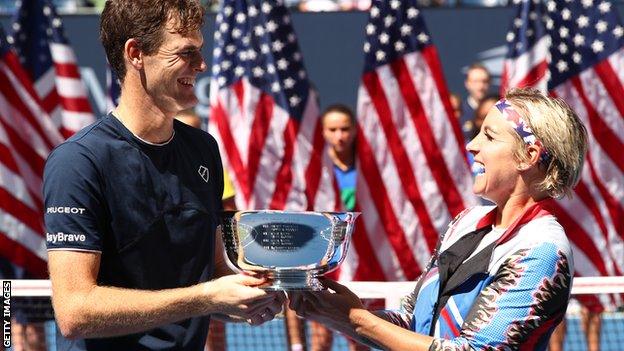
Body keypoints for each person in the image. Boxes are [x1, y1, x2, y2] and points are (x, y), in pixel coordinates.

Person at [42, 1, 285, 350]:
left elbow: (215, 273)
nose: (201, 65)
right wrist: (207, 298)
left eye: (200, 51)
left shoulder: (204, 150)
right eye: (187, 53)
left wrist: (256, 295)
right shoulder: (78, 162)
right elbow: (74, 311)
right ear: (136, 53)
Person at [289, 87, 588, 350]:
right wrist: (324, 307)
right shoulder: (466, 221)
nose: (472, 145)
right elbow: (411, 321)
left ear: (528, 155)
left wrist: (356, 318)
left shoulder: (543, 248)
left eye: (489, 136)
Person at [459, 63, 491, 143]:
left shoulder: (497, 111)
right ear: (467, 83)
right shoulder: (459, 112)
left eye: (484, 81)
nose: (480, 86)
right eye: (475, 81)